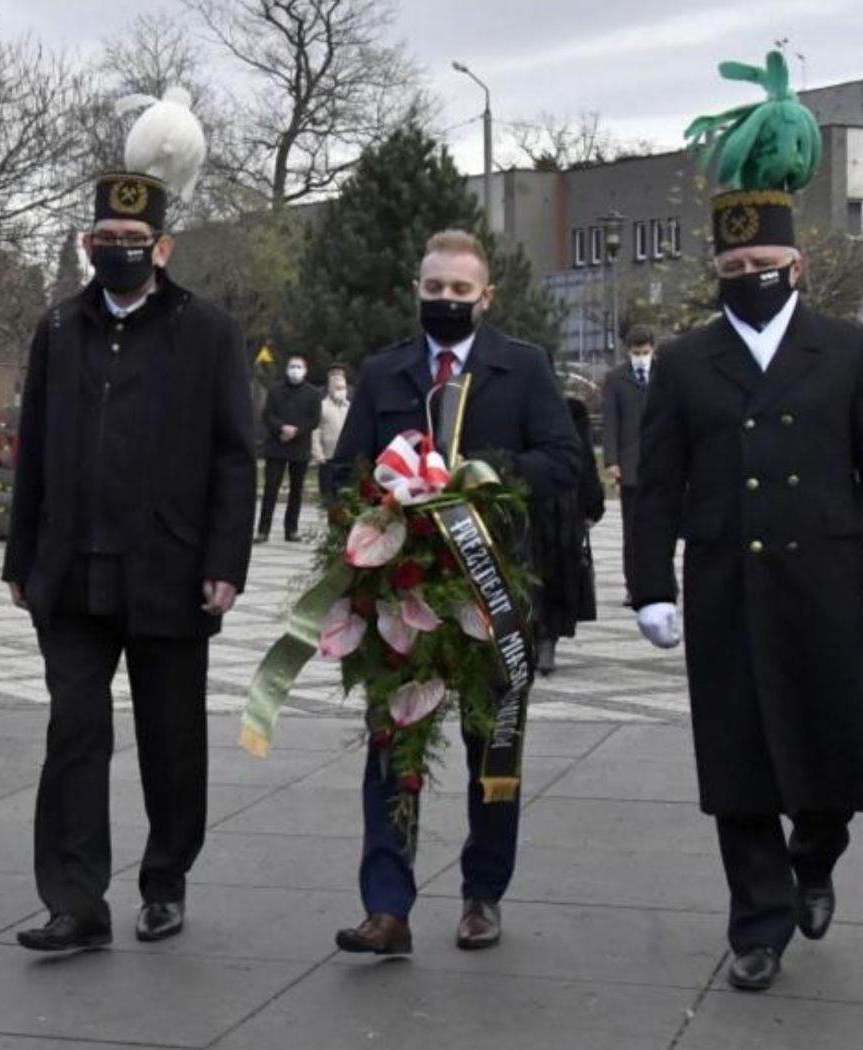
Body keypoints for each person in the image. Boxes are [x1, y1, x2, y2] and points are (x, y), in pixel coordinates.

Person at [630, 52, 863, 993]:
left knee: (832, 754)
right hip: (727, 584)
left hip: (825, 582)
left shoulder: (846, 351)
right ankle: (757, 920)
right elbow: (654, 481)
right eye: (733, 266)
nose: (748, 276)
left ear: (797, 264)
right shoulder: (685, 361)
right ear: (715, 268)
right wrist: (649, 585)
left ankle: (816, 857)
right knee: (740, 761)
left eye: (763, 264)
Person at [2, 91, 255, 952]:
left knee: (170, 740)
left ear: (164, 247)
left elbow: (233, 455)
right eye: (103, 243)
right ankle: (76, 900)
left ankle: (165, 878)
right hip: (71, 571)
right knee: (74, 733)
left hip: (170, 569)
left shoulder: (207, 332)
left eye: (132, 245)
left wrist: (227, 562)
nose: (117, 255)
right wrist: (20, 558)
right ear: (87, 245)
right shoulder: (61, 328)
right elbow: (33, 445)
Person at [328, 228, 585, 957]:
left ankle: (482, 894)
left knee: (491, 749)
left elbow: (564, 460)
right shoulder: (386, 373)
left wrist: (475, 480)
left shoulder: (525, 369)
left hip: (491, 593)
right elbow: (340, 470)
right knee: (392, 748)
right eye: (434, 288)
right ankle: (387, 906)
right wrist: (380, 498)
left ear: (486, 297)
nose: (445, 301)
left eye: (459, 292)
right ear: (418, 289)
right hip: (401, 593)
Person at [532, 395, 606, 674]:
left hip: (566, 504)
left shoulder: (572, 409)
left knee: (560, 572)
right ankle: (533, 635)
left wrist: (591, 503)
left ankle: (548, 638)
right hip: (527, 500)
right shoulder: (515, 401)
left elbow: (585, 457)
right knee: (529, 572)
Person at [602, 325, 657, 605]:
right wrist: (612, 460)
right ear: (628, 351)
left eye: (645, 352)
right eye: (636, 353)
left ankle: (661, 582)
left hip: (660, 464)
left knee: (659, 528)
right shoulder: (615, 379)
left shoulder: (664, 374)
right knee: (632, 530)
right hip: (631, 464)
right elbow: (610, 422)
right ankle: (633, 585)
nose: (641, 357)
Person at [254, 355, 321, 543]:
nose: (295, 370)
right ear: (286, 369)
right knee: (270, 488)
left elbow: (314, 419)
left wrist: (296, 431)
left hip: (299, 448)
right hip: (277, 446)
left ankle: (291, 530)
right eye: (292, 366)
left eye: (299, 367)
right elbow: (268, 415)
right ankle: (263, 530)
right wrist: (281, 428)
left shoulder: (313, 393)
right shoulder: (275, 391)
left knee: (296, 490)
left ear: (305, 370)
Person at [310, 364, 351, 508]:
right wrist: (317, 453)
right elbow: (315, 431)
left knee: (345, 497)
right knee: (328, 497)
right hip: (326, 458)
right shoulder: (321, 405)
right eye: (333, 376)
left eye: (341, 387)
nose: (338, 389)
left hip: (346, 458)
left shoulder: (351, 406)